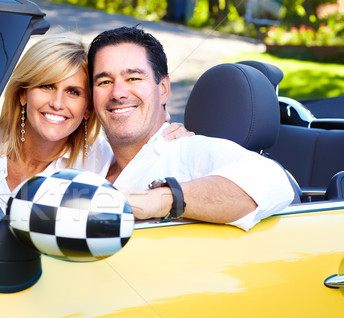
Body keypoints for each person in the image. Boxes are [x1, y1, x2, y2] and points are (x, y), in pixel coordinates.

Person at [0, 33, 190, 232]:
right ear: (23, 93)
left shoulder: (101, 162)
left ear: (87, 108)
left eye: (74, 92)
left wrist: (172, 134)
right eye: (47, 86)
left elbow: (148, 156)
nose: (57, 103)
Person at [87, 26, 294, 231]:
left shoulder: (186, 150)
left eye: (134, 78)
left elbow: (273, 181)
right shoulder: (89, 160)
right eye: (104, 81)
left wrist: (162, 199)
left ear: (164, 89)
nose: (118, 93)